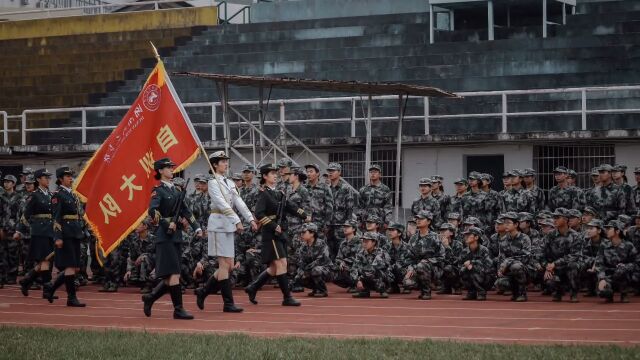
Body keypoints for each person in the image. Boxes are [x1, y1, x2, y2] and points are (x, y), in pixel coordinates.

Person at [195, 151, 256, 313]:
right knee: (224, 265)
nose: (225, 164)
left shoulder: (229, 182)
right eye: (222, 161)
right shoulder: (213, 183)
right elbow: (221, 204)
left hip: (228, 225)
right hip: (219, 224)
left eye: (226, 161)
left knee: (229, 266)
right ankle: (228, 303)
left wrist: (249, 218)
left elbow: (239, 201)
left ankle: (204, 291)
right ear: (215, 164)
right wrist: (237, 220)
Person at [143, 158, 203, 320]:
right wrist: (165, 223)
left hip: (176, 237)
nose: (171, 169)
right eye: (168, 168)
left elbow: (186, 212)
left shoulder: (177, 191)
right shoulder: (158, 190)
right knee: (174, 274)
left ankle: (150, 298)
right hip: (165, 236)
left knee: (171, 276)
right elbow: (152, 211)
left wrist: (196, 227)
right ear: (160, 171)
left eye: (171, 167)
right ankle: (178, 309)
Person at [244, 164, 310, 306]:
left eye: (276, 173)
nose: (275, 175)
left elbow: (290, 206)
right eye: (272, 173)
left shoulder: (279, 192)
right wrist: (274, 225)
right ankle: (287, 297)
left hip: (280, 232)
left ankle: (252, 287)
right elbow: (259, 213)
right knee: (282, 263)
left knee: (274, 268)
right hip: (271, 233)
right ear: (265, 177)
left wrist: (304, 215)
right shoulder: (263, 193)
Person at [45, 167, 86, 307]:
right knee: (70, 267)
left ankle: (51, 287)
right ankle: (71, 298)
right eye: (67, 176)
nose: (71, 178)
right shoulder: (58, 195)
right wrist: (58, 237)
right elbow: (56, 218)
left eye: (71, 176)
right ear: (60, 179)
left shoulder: (72, 194)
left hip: (75, 233)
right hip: (66, 234)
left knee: (75, 267)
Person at [16, 169, 55, 298]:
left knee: (47, 260)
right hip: (40, 231)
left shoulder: (50, 194)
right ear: (38, 180)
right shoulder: (34, 195)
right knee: (45, 261)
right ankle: (47, 290)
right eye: (45, 177)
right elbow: (25, 215)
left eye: (49, 177)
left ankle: (26, 281)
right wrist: (19, 230)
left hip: (50, 231)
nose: (48, 180)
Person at [541, 208, 583, 302]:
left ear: (565, 219)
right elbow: (541, 252)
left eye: (557, 217)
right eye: (553, 217)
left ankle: (573, 293)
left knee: (573, 266)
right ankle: (557, 292)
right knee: (549, 280)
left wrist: (555, 264)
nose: (554, 220)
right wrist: (546, 266)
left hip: (568, 266)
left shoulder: (575, 236)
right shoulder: (550, 235)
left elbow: (574, 255)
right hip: (554, 268)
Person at [404, 210, 445, 300]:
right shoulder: (413, 238)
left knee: (422, 265)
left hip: (434, 269)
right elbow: (409, 257)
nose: (418, 220)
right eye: (417, 218)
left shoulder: (435, 237)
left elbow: (441, 257)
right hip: (418, 267)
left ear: (429, 221)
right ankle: (421, 288)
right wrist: (410, 269)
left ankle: (427, 291)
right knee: (407, 282)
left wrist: (427, 261)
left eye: (421, 219)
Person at [596, 220, 639, 303]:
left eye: (609, 229)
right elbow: (599, 263)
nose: (606, 231)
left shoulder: (628, 245)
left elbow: (636, 263)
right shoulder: (604, 245)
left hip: (624, 275)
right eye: (606, 229)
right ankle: (609, 293)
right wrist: (601, 278)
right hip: (609, 275)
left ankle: (624, 293)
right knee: (602, 292)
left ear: (617, 231)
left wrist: (625, 267)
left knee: (621, 270)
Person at [494, 212, 531, 302]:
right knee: (500, 283)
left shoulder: (524, 238)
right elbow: (501, 257)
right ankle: (515, 293)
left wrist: (508, 262)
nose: (505, 225)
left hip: (526, 270)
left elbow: (526, 257)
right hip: (510, 270)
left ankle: (522, 294)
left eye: (508, 223)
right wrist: (500, 270)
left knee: (516, 266)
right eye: (504, 223)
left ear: (516, 224)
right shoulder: (503, 240)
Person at [327, 162, 358, 260]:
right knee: (329, 251)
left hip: (341, 226)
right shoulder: (327, 188)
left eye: (333, 171)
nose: (330, 173)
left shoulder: (346, 188)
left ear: (339, 172)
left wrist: (348, 225)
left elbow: (350, 208)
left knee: (341, 250)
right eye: (329, 171)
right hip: (329, 226)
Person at [294, 222, 333, 297]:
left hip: (327, 270)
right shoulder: (303, 246)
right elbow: (301, 261)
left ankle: (322, 290)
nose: (302, 234)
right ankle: (315, 288)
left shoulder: (321, 244)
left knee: (315, 270)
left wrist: (307, 270)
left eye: (304, 232)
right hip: (311, 269)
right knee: (299, 275)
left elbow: (322, 259)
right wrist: (302, 271)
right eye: (301, 232)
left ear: (312, 234)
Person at [350, 232, 392, 298]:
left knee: (376, 272)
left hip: (381, 278)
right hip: (366, 276)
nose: (364, 243)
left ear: (374, 242)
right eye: (363, 241)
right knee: (354, 273)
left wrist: (360, 278)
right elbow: (354, 268)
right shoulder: (360, 253)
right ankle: (364, 291)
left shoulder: (380, 253)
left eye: (367, 241)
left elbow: (373, 269)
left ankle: (382, 290)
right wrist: (357, 280)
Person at [459, 226, 494, 301]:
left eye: (468, 235)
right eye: (465, 235)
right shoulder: (464, 251)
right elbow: (460, 264)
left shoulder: (484, 250)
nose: (466, 237)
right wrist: (466, 266)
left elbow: (488, 266)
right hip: (473, 275)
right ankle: (471, 292)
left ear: (476, 237)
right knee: (463, 270)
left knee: (473, 270)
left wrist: (472, 263)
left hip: (486, 278)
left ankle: (482, 292)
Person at [333, 217, 361, 292]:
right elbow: (338, 257)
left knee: (346, 267)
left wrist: (345, 261)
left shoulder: (360, 241)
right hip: (346, 266)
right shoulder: (343, 243)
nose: (345, 228)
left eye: (348, 227)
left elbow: (359, 257)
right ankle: (349, 284)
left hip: (358, 266)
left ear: (354, 229)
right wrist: (340, 262)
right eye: (344, 227)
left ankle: (356, 284)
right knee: (332, 270)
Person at [581, 219, 605, 297]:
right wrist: (592, 263)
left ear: (599, 230)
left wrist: (596, 264)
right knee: (580, 265)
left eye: (591, 228)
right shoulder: (585, 241)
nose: (588, 231)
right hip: (591, 265)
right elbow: (583, 256)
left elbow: (607, 258)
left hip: (603, 267)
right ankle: (590, 288)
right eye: (588, 228)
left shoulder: (606, 243)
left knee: (603, 293)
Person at [387, 222, 411, 294]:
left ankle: (407, 286)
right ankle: (393, 287)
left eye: (393, 230)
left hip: (404, 272)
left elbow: (411, 262)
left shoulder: (407, 247)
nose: (390, 232)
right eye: (389, 230)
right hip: (393, 271)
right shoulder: (386, 247)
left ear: (399, 233)